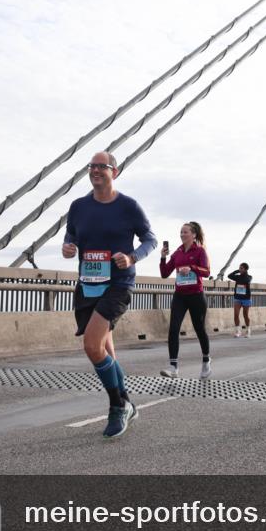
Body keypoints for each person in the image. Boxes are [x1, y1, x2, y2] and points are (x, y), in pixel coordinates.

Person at [63, 152, 157, 438]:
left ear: (114, 172)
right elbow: (71, 236)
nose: (95, 171)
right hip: (89, 285)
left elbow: (150, 239)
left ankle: (117, 407)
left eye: (101, 166)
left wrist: (131, 258)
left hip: (118, 284)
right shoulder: (78, 206)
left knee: (92, 347)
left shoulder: (129, 206)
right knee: (106, 350)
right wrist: (68, 247)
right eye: (91, 166)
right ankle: (126, 401)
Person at [159, 222, 211, 379]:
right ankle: (173, 367)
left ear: (194, 235)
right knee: (173, 328)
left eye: (185, 232)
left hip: (196, 295)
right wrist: (163, 257)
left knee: (199, 329)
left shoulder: (200, 251)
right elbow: (164, 273)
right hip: (180, 296)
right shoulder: (177, 253)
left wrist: (192, 268)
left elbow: (207, 272)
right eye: (181, 232)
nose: (182, 234)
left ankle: (206, 361)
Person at [227, 263, 252, 337]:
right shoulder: (237, 277)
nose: (240, 269)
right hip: (237, 298)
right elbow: (229, 276)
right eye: (239, 268)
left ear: (245, 269)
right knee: (236, 314)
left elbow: (246, 280)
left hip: (246, 298)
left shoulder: (249, 277)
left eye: (241, 268)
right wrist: (236, 271)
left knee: (245, 315)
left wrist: (242, 274)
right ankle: (238, 331)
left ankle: (248, 330)